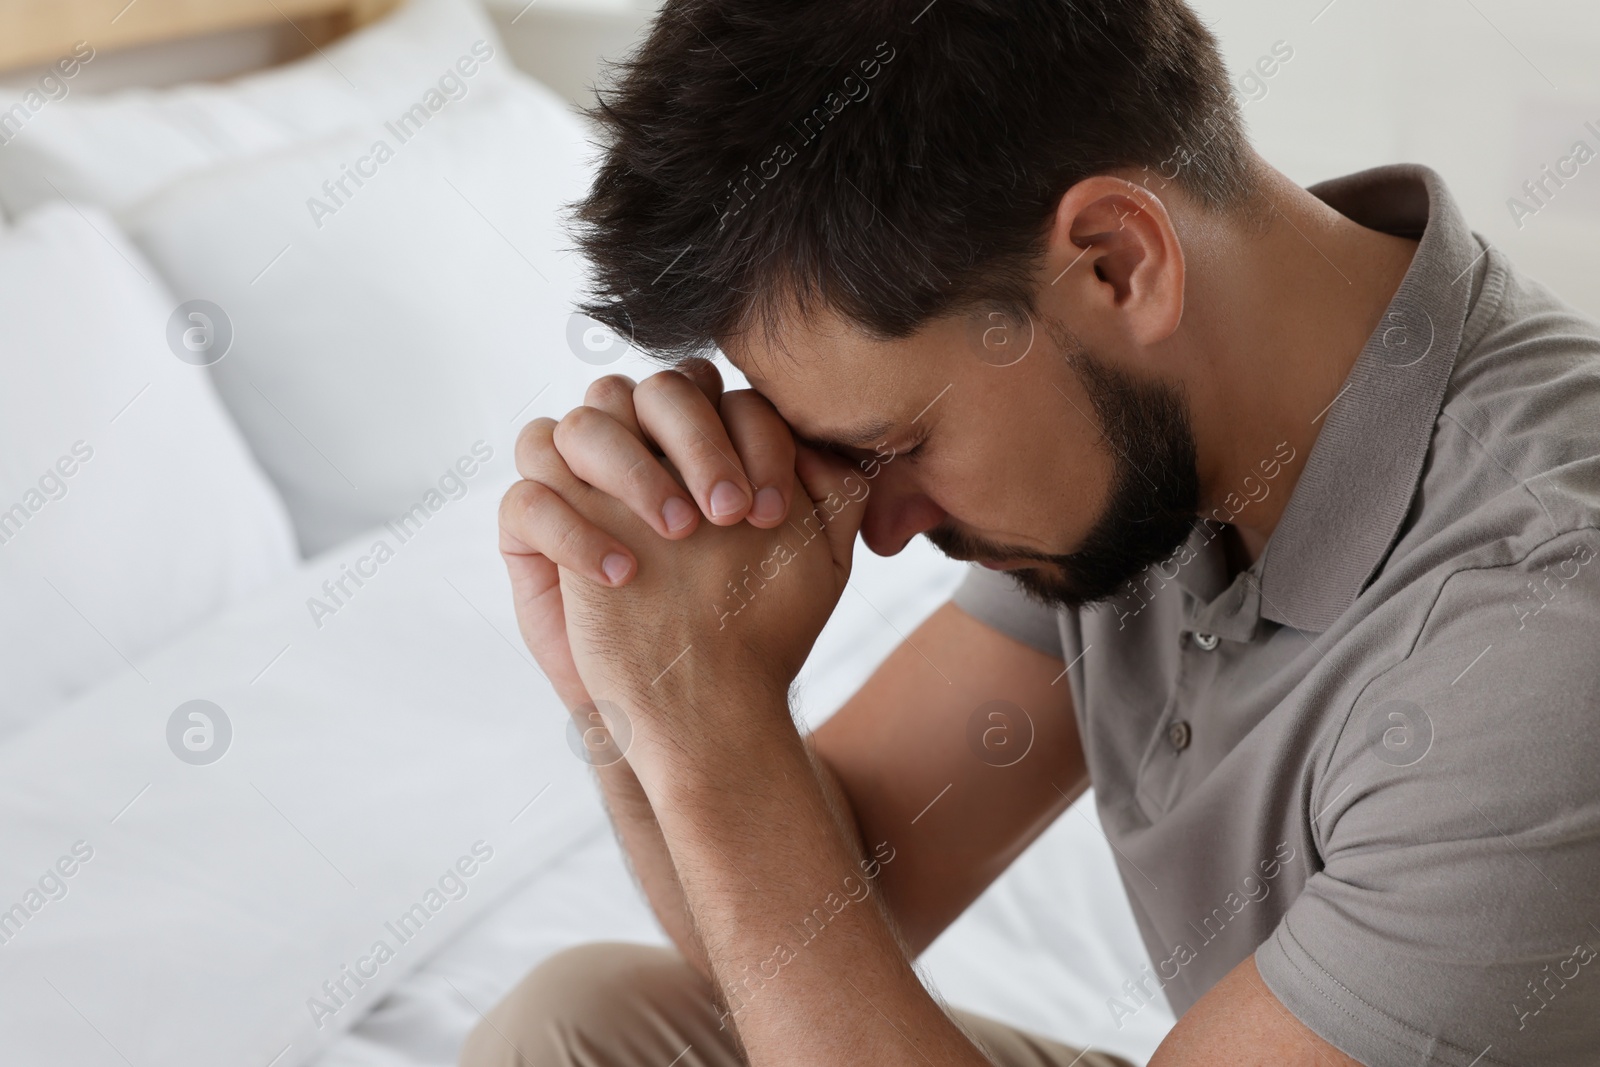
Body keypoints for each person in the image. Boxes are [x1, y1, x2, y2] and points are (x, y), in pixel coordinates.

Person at [466, 0, 1600, 1063]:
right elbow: (835, 884)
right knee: (586, 1023)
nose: (883, 530)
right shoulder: (1157, 440)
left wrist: (709, 728)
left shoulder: (1540, 637)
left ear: (1116, 261)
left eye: (896, 443)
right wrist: (638, 680)